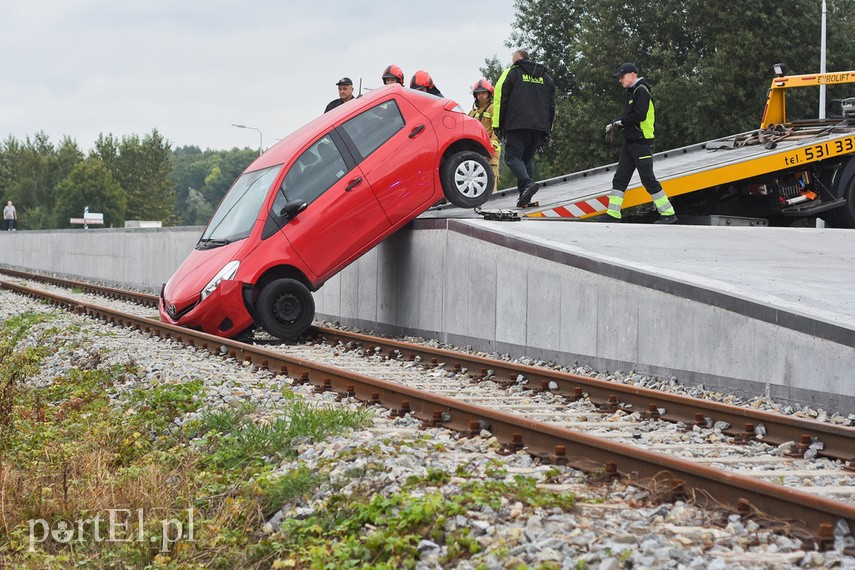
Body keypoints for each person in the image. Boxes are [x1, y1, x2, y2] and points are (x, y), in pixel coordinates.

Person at [604, 62, 677, 224]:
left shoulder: (641, 91)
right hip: (631, 142)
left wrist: (620, 123)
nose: (619, 81)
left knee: (648, 179)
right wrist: (616, 122)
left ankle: (668, 213)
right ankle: (613, 214)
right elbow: (631, 117)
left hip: (641, 142)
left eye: (621, 77)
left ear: (632, 75)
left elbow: (640, 116)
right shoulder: (632, 92)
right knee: (620, 178)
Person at [493, 49, 555, 208]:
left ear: (518, 60)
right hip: (538, 127)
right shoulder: (546, 78)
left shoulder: (512, 73)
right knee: (527, 159)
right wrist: (547, 130)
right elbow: (551, 106)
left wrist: (497, 126)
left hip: (517, 124)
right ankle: (524, 197)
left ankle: (527, 184)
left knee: (512, 158)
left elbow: (500, 100)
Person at [468, 79, 500, 193]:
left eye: (483, 93)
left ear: (489, 94)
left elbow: (496, 128)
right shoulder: (473, 112)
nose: (480, 96)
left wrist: (492, 145)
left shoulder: (493, 108)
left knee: (491, 181)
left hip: (491, 151)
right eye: (478, 93)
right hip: (477, 151)